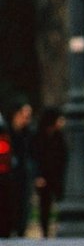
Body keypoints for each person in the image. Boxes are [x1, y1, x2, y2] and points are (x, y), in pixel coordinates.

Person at [32, 106, 67, 239]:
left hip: (56, 175)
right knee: (44, 205)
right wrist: (38, 175)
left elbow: (63, 156)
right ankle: (45, 231)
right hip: (44, 176)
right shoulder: (39, 136)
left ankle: (57, 228)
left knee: (58, 202)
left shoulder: (59, 136)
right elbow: (35, 156)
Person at [6, 99, 34, 237]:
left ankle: (20, 229)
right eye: (25, 114)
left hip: (23, 173)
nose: (27, 118)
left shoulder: (28, 132)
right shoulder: (8, 130)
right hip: (8, 174)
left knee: (23, 201)